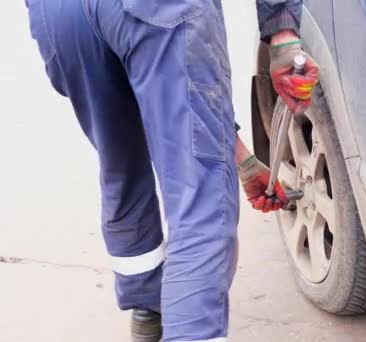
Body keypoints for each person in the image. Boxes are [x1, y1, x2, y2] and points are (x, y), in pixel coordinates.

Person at [25, 0, 319, 341]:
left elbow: (185, 106)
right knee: (200, 208)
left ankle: (149, 314)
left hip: (58, 14)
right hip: (155, 10)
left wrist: (242, 160)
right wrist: (282, 34)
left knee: (122, 171)